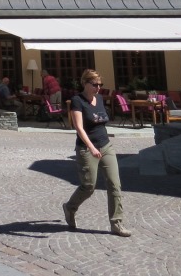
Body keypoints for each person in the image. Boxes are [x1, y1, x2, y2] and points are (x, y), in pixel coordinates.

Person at [63, 69, 132, 237]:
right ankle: (70, 207)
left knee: (114, 184)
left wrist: (102, 146)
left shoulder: (99, 98)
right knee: (88, 187)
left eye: (100, 84)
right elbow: (79, 127)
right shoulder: (77, 101)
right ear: (85, 83)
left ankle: (117, 223)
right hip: (87, 149)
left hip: (106, 146)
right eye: (94, 84)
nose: (98, 88)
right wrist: (91, 148)